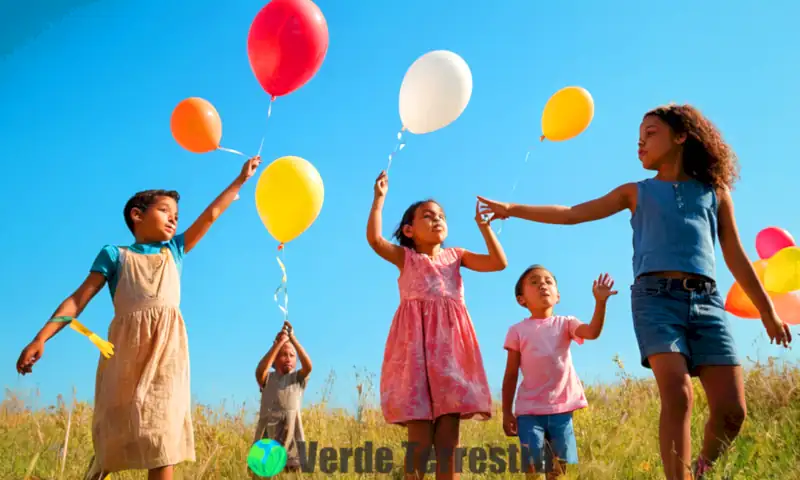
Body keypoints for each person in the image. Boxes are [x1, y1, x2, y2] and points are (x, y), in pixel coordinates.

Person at [478, 103, 793, 479]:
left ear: (681, 136)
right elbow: (572, 213)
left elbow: (736, 256)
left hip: (707, 303)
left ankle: (701, 469)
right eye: (638, 138)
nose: (640, 143)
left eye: (651, 133)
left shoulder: (715, 193)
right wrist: (512, 208)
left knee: (732, 412)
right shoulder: (636, 192)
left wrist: (768, 312)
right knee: (678, 395)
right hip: (656, 300)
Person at [16, 156, 263, 480]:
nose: (174, 220)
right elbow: (78, 300)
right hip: (126, 353)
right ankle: (99, 465)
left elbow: (212, 214)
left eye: (177, 215)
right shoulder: (115, 255)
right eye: (165, 211)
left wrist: (240, 180)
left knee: (162, 436)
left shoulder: (173, 250)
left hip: (167, 354)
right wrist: (41, 337)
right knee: (117, 428)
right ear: (137, 215)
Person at [367, 171, 508, 480]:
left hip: (450, 353)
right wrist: (379, 200)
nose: (437, 219)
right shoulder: (406, 258)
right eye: (428, 216)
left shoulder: (456, 256)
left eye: (441, 216)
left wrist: (485, 228)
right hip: (415, 355)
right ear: (409, 230)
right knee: (418, 440)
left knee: (448, 442)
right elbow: (376, 240)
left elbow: (498, 263)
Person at [502, 265, 616, 479]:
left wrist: (600, 303)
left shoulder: (566, 323)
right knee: (533, 466)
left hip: (561, 410)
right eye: (534, 282)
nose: (542, 285)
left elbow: (591, 332)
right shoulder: (517, 331)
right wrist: (507, 411)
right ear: (521, 299)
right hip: (529, 412)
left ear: (558, 296)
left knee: (558, 470)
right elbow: (510, 374)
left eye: (548, 281)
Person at [252, 321, 312, 475]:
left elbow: (308, 366)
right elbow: (260, 371)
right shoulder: (268, 378)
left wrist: (292, 339)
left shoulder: (297, 379)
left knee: (293, 472)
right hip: (268, 437)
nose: (288, 358)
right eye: (283, 354)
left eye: (292, 356)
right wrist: (278, 344)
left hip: (292, 438)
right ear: (274, 360)